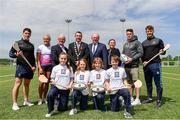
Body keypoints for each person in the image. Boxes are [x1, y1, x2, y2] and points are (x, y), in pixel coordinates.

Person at [9, 28, 36, 111]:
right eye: (26, 33)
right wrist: (17, 55)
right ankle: (15, 103)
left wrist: (34, 66)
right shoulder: (17, 43)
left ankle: (26, 101)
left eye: (28, 33)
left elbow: (32, 57)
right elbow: (10, 54)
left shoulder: (31, 45)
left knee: (27, 84)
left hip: (29, 67)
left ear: (30, 35)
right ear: (23, 33)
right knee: (17, 84)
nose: (27, 35)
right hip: (20, 66)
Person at [142, 25, 166, 107]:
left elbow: (163, 51)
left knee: (158, 83)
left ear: (153, 31)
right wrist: (143, 61)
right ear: (146, 32)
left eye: (150, 31)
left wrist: (162, 51)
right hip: (146, 65)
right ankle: (149, 98)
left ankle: (159, 99)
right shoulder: (143, 43)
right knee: (148, 83)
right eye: (147, 31)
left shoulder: (158, 40)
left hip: (156, 64)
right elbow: (142, 55)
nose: (148, 32)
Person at [45, 52, 73, 117]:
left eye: (65, 59)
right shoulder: (55, 68)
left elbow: (71, 79)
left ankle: (58, 101)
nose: (63, 60)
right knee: (50, 95)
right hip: (56, 87)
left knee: (62, 109)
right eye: (61, 58)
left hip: (65, 89)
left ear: (67, 59)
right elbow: (52, 79)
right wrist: (53, 81)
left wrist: (70, 85)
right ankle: (50, 110)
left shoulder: (70, 68)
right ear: (59, 58)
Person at [122, 29, 143, 106]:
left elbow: (141, 53)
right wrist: (123, 60)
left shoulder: (137, 43)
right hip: (126, 66)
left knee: (136, 82)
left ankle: (137, 99)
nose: (129, 35)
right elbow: (123, 54)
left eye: (130, 34)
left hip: (134, 66)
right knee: (129, 83)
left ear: (133, 34)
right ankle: (131, 97)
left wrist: (132, 59)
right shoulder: (125, 44)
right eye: (127, 34)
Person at [37, 34, 53, 105]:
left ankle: (45, 97)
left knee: (46, 83)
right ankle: (40, 98)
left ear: (50, 40)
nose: (46, 40)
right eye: (44, 39)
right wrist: (40, 67)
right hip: (42, 67)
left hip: (49, 67)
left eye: (47, 39)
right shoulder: (40, 47)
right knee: (41, 83)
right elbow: (37, 59)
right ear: (43, 40)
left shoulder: (52, 47)